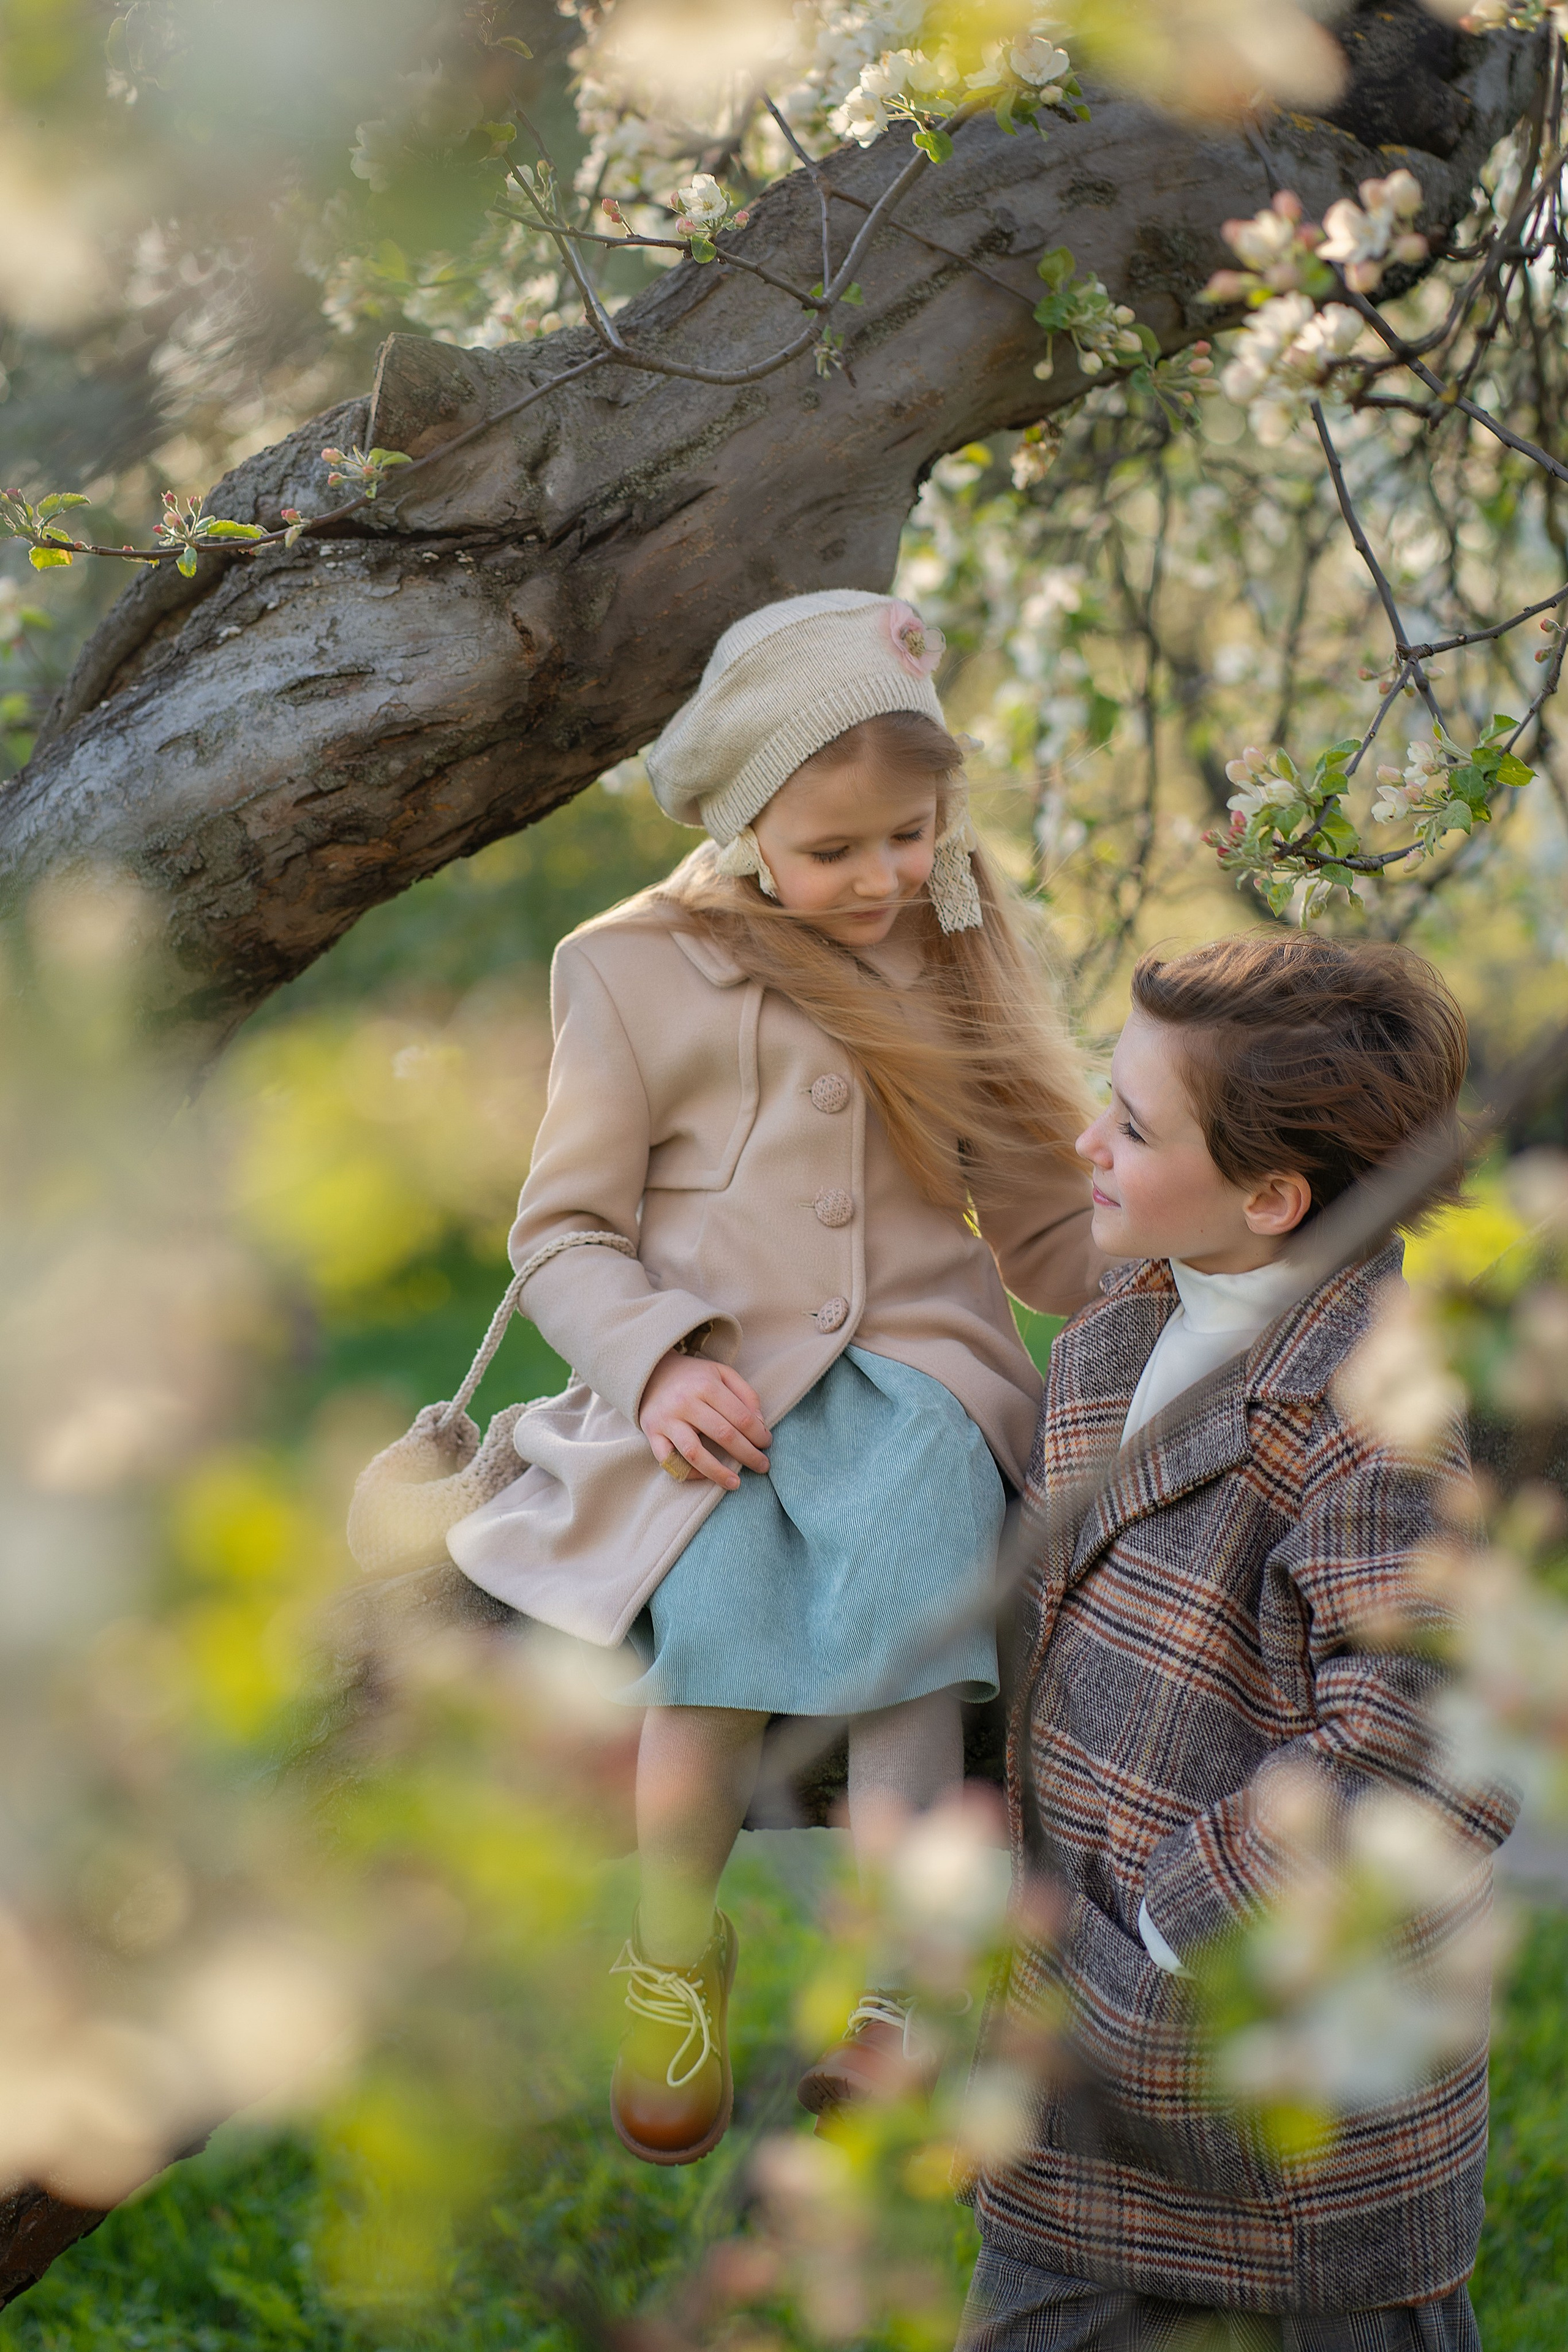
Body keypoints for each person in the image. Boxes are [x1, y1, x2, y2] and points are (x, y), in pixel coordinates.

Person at [445, 590, 1108, 2167]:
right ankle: (673, 1958)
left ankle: (898, 1997)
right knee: (708, 1655)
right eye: (832, 851)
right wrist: (656, 1364)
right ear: (744, 828)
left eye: (908, 836)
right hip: (721, 1391)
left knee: (910, 1670)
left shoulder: (955, 938)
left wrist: (1177, 1279)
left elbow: (1037, 1216)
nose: (880, 877)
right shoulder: (628, 969)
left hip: (919, 1377)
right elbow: (562, 1236)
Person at [962, 933, 1519, 2351]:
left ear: (1270, 1198)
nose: (1086, 1143)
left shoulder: (1377, 1422)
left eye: (1133, 1126)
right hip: (1077, 2100)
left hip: (1288, 2122)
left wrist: (1169, 1935)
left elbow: (1423, 1755)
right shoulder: (1123, 1321)